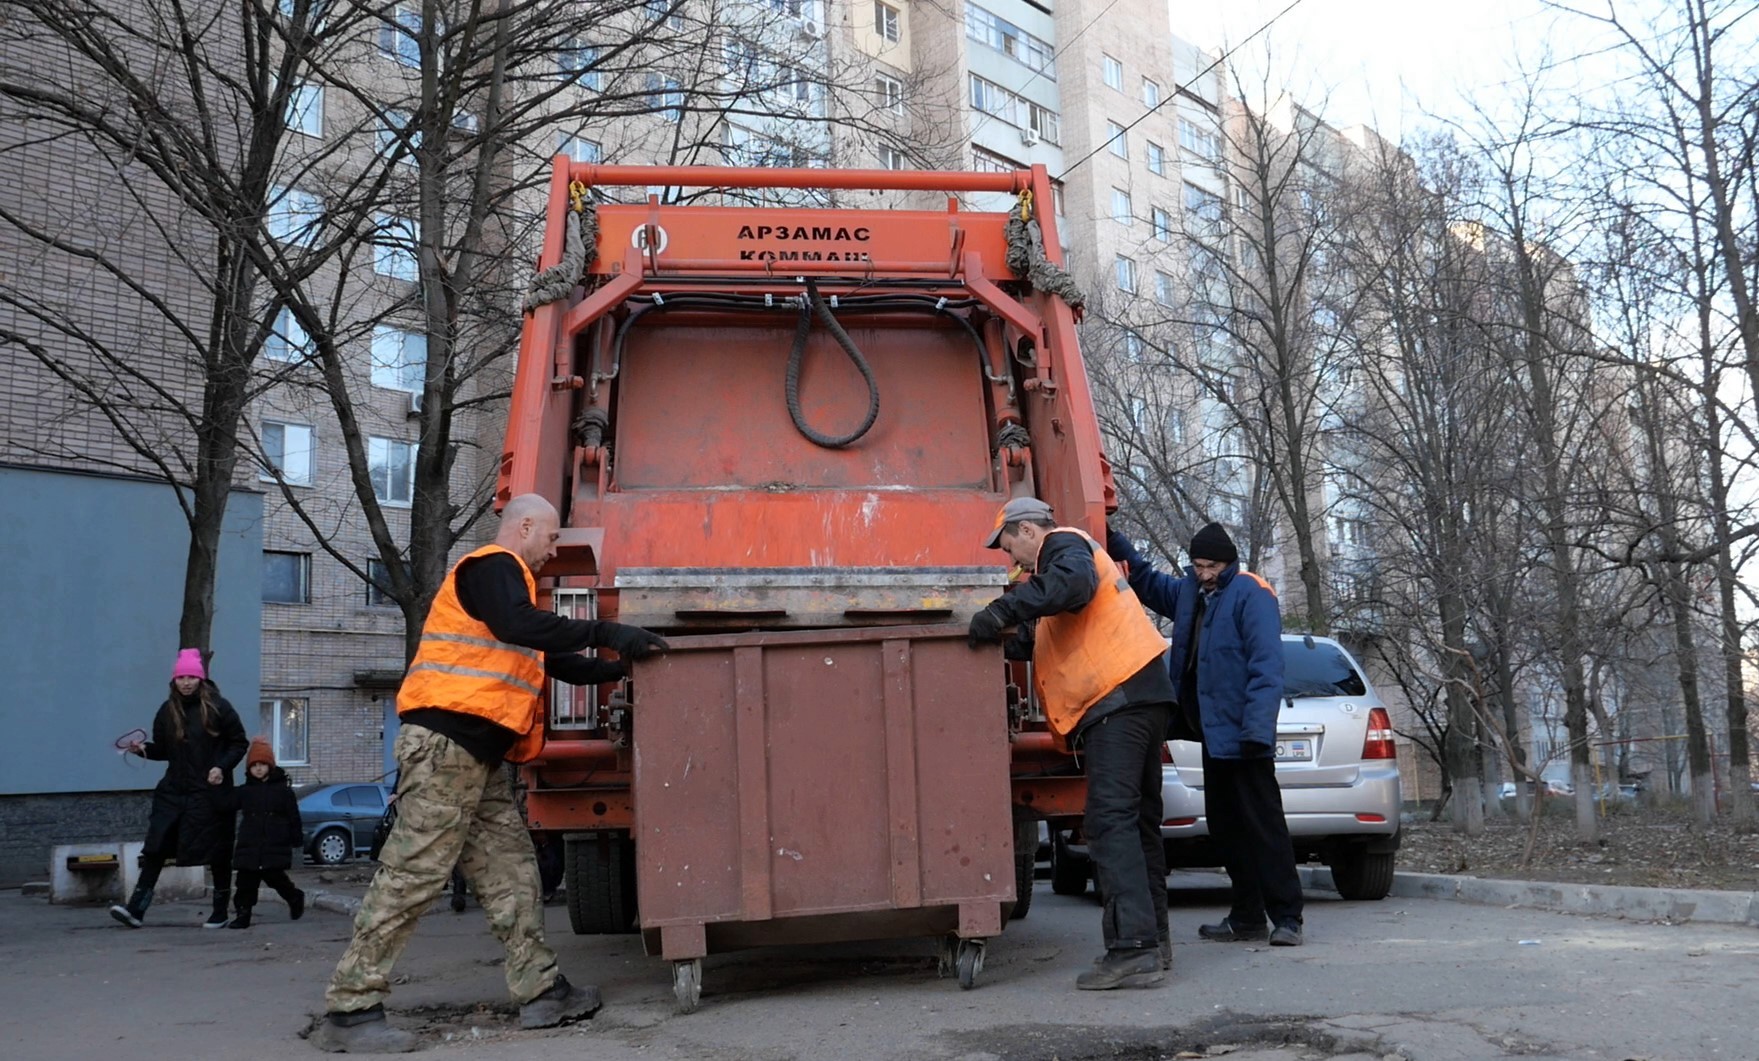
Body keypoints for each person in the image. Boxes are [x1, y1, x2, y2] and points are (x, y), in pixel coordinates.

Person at [311, 494, 671, 1053]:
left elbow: (559, 661)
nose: (552, 551)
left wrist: (625, 662)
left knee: (514, 874)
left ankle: (542, 989)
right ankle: (351, 1007)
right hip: (446, 749)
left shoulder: (512, 594)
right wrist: (606, 631)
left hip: (476, 758)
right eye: (550, 538)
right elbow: (519, 624)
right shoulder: (491, 567)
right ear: (524, 526)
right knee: (414, 875)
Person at [966, 496, 1177, 990]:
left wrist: (1000, 609)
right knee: (1138, 821)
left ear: (1027, 531)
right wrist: (988, 632)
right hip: (1138, 696)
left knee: (1109, 821)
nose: (1010, 559)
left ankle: (1133, 949)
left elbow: (1071, 586)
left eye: (1008, 546)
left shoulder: (1065, 547)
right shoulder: (1058, 574)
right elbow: (1037, 635)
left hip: (1118, 699)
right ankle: (1153, 941)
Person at [1105, 521, 1302, 947]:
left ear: (1228, 562)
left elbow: (1266, 670)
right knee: (1227, 830)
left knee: (1264, 828)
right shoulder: (1194, 593)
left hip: (1245, 739)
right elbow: (1145, 579)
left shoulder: (1252, 594)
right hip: (1214, 737)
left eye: (1211, 565)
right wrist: (1111, 535)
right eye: (1197, 565)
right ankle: (1247, 917)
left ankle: (1287, 918)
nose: (1204, 572)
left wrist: (1256, 731)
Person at [110, 649, 248, 929]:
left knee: (218, 850)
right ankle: (136, 909)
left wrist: (221, 767)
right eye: (181, 677)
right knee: (156, 846)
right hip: (174, 790)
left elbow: (239, 743)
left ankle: (220, 911)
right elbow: (163, 750)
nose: (186, 682)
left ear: (200, 679)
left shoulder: (220, 707)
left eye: (191, 677)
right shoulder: (167, 710)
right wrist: (142, 750)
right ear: (174, 681)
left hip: (210, 792)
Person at [228, 737, 306, 929]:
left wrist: (296, 838)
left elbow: (293, 816)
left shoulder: (283, 791)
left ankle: (294, 897)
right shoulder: (245, 791)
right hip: (250, 843)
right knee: (245, 881)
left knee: (275, 877)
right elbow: (225, 804)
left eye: (263, 764)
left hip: (274, 841)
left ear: (270, 766)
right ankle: (243, 914)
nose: (259, 768)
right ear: (249, 769)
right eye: (255, 765)